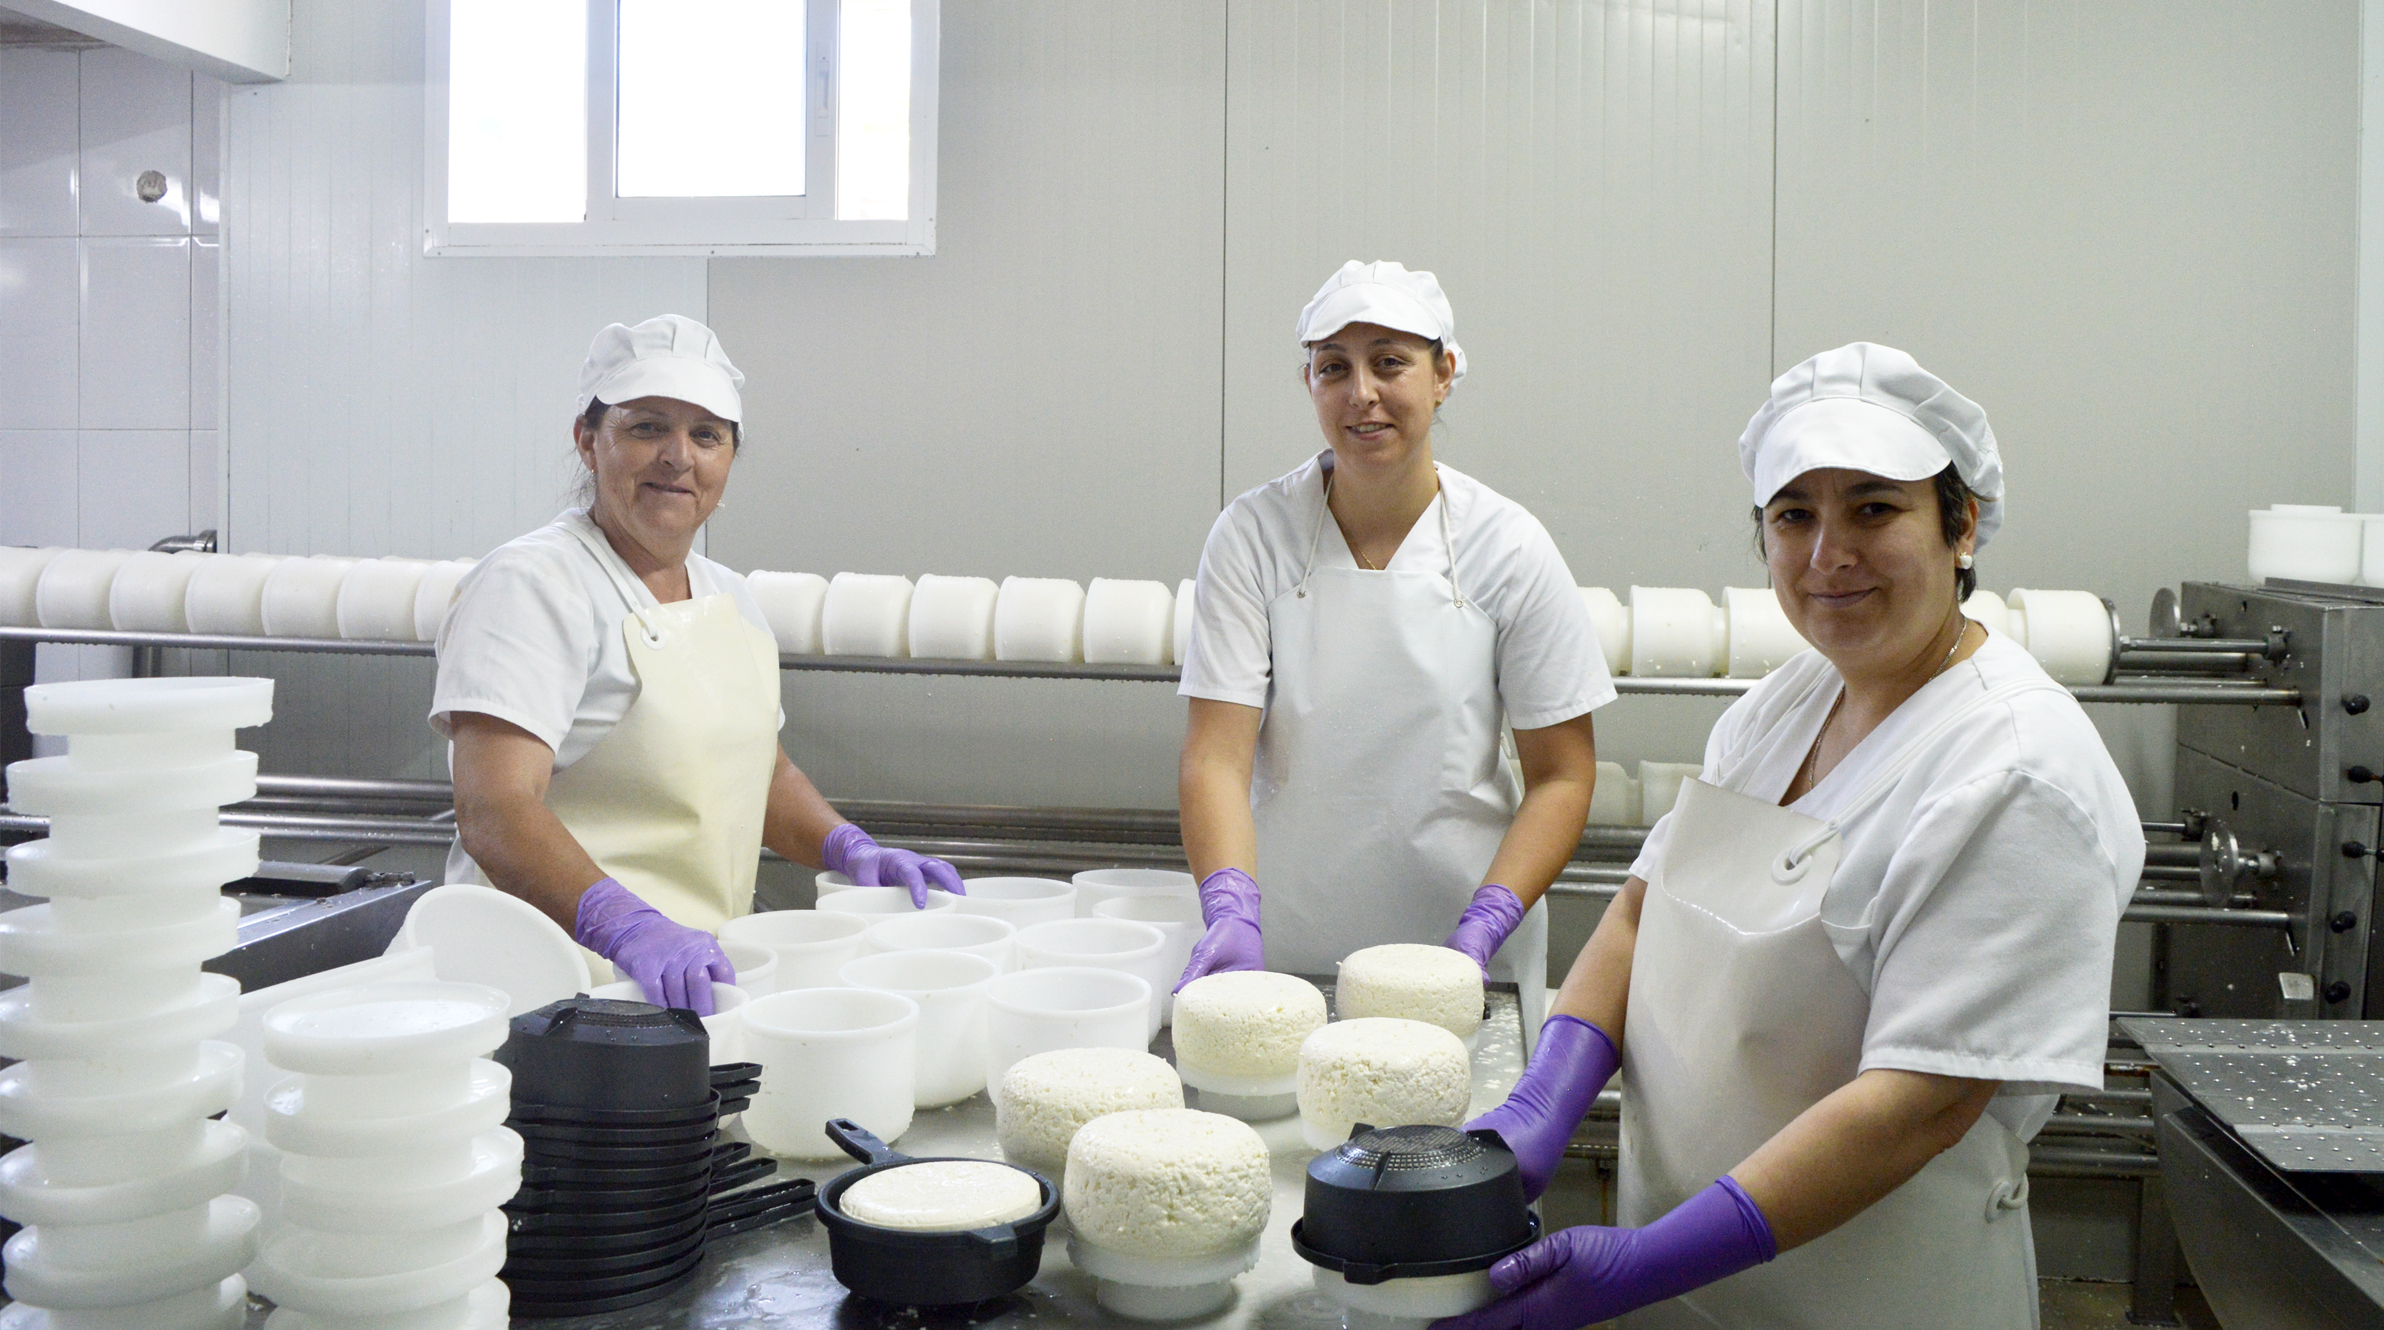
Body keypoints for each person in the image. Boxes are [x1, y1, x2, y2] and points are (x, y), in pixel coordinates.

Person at [1441, 343, 2145, 1329]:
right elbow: (1644, 913)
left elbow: (1920, 1099)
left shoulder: (2015, 771)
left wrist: (1650, 1257)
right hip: (1690, 1281)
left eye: (1871, 507)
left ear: (1962, 524)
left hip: (1873, 1295)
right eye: (1792, 515)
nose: (1826, 554)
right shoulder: (1784, 703)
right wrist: (1539, 1106)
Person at [432, 315, 960, 1016]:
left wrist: (847, 846)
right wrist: (624, 926)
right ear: (589, 442)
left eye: (706, 435)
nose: (678, 457)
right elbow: (494, 809)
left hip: (683, 986)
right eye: (647, 427)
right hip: (543, 994)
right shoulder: (533, 584)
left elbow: (759, 776)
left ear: (730, 459)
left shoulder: (729, 596)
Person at [1175, 260, 1610, 1038]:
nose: (1361, 393)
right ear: (1307, 380)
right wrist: (1230, 905)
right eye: (1334, 367)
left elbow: (1564, 775)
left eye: (1390, 362)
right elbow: (1215, 757)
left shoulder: (1507, 547)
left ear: (1444, 374)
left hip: (1463, 950)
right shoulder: (1253, 536)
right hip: (1289, 941)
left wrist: (1488, 918)